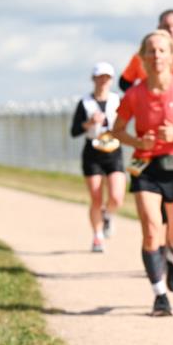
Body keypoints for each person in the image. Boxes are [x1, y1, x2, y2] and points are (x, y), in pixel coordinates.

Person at [112, 30, 173, 316]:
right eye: (151, 50)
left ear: (172, 56)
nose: (156, 55)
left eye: (162, 50)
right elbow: (117, 131)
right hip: (146, 167)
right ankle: (160, 296)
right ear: (142, 57)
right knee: (152, 229)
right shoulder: (134, 94)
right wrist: (136, 141)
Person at [70, 62, 125, 253]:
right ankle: (97, 236)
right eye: (100, 77)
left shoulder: (117, 100)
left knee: (117, 196)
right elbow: (74, 131)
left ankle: (108, 215)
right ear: (94, 79)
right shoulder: (85, 102)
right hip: (92, 150)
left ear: (111, 80)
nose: (103, 81)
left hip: (113, 149)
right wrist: (89, 123)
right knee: (96, 198)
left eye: (107, 77)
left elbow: (125, 124)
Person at [118, 9, 173, 93]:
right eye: (166, 26)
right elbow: (124, 83)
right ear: (158, 28)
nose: (171, 30)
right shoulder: (143, 56)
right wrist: (141, 97)